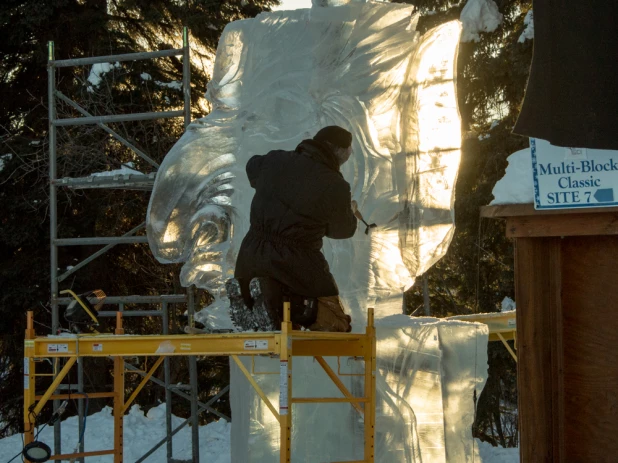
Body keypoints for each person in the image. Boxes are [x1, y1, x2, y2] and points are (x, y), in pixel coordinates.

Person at [226, 126, 358, 332]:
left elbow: (252, 166)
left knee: (278, 326)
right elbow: (342, 231)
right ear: (339, 150)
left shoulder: (275, 160)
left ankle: (249, 299)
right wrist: (348, 210)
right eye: (349, 151)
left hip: (251, 254)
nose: (348, 157)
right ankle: (273, 298)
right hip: (294, 261)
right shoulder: (335, 185)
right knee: (335, 321)